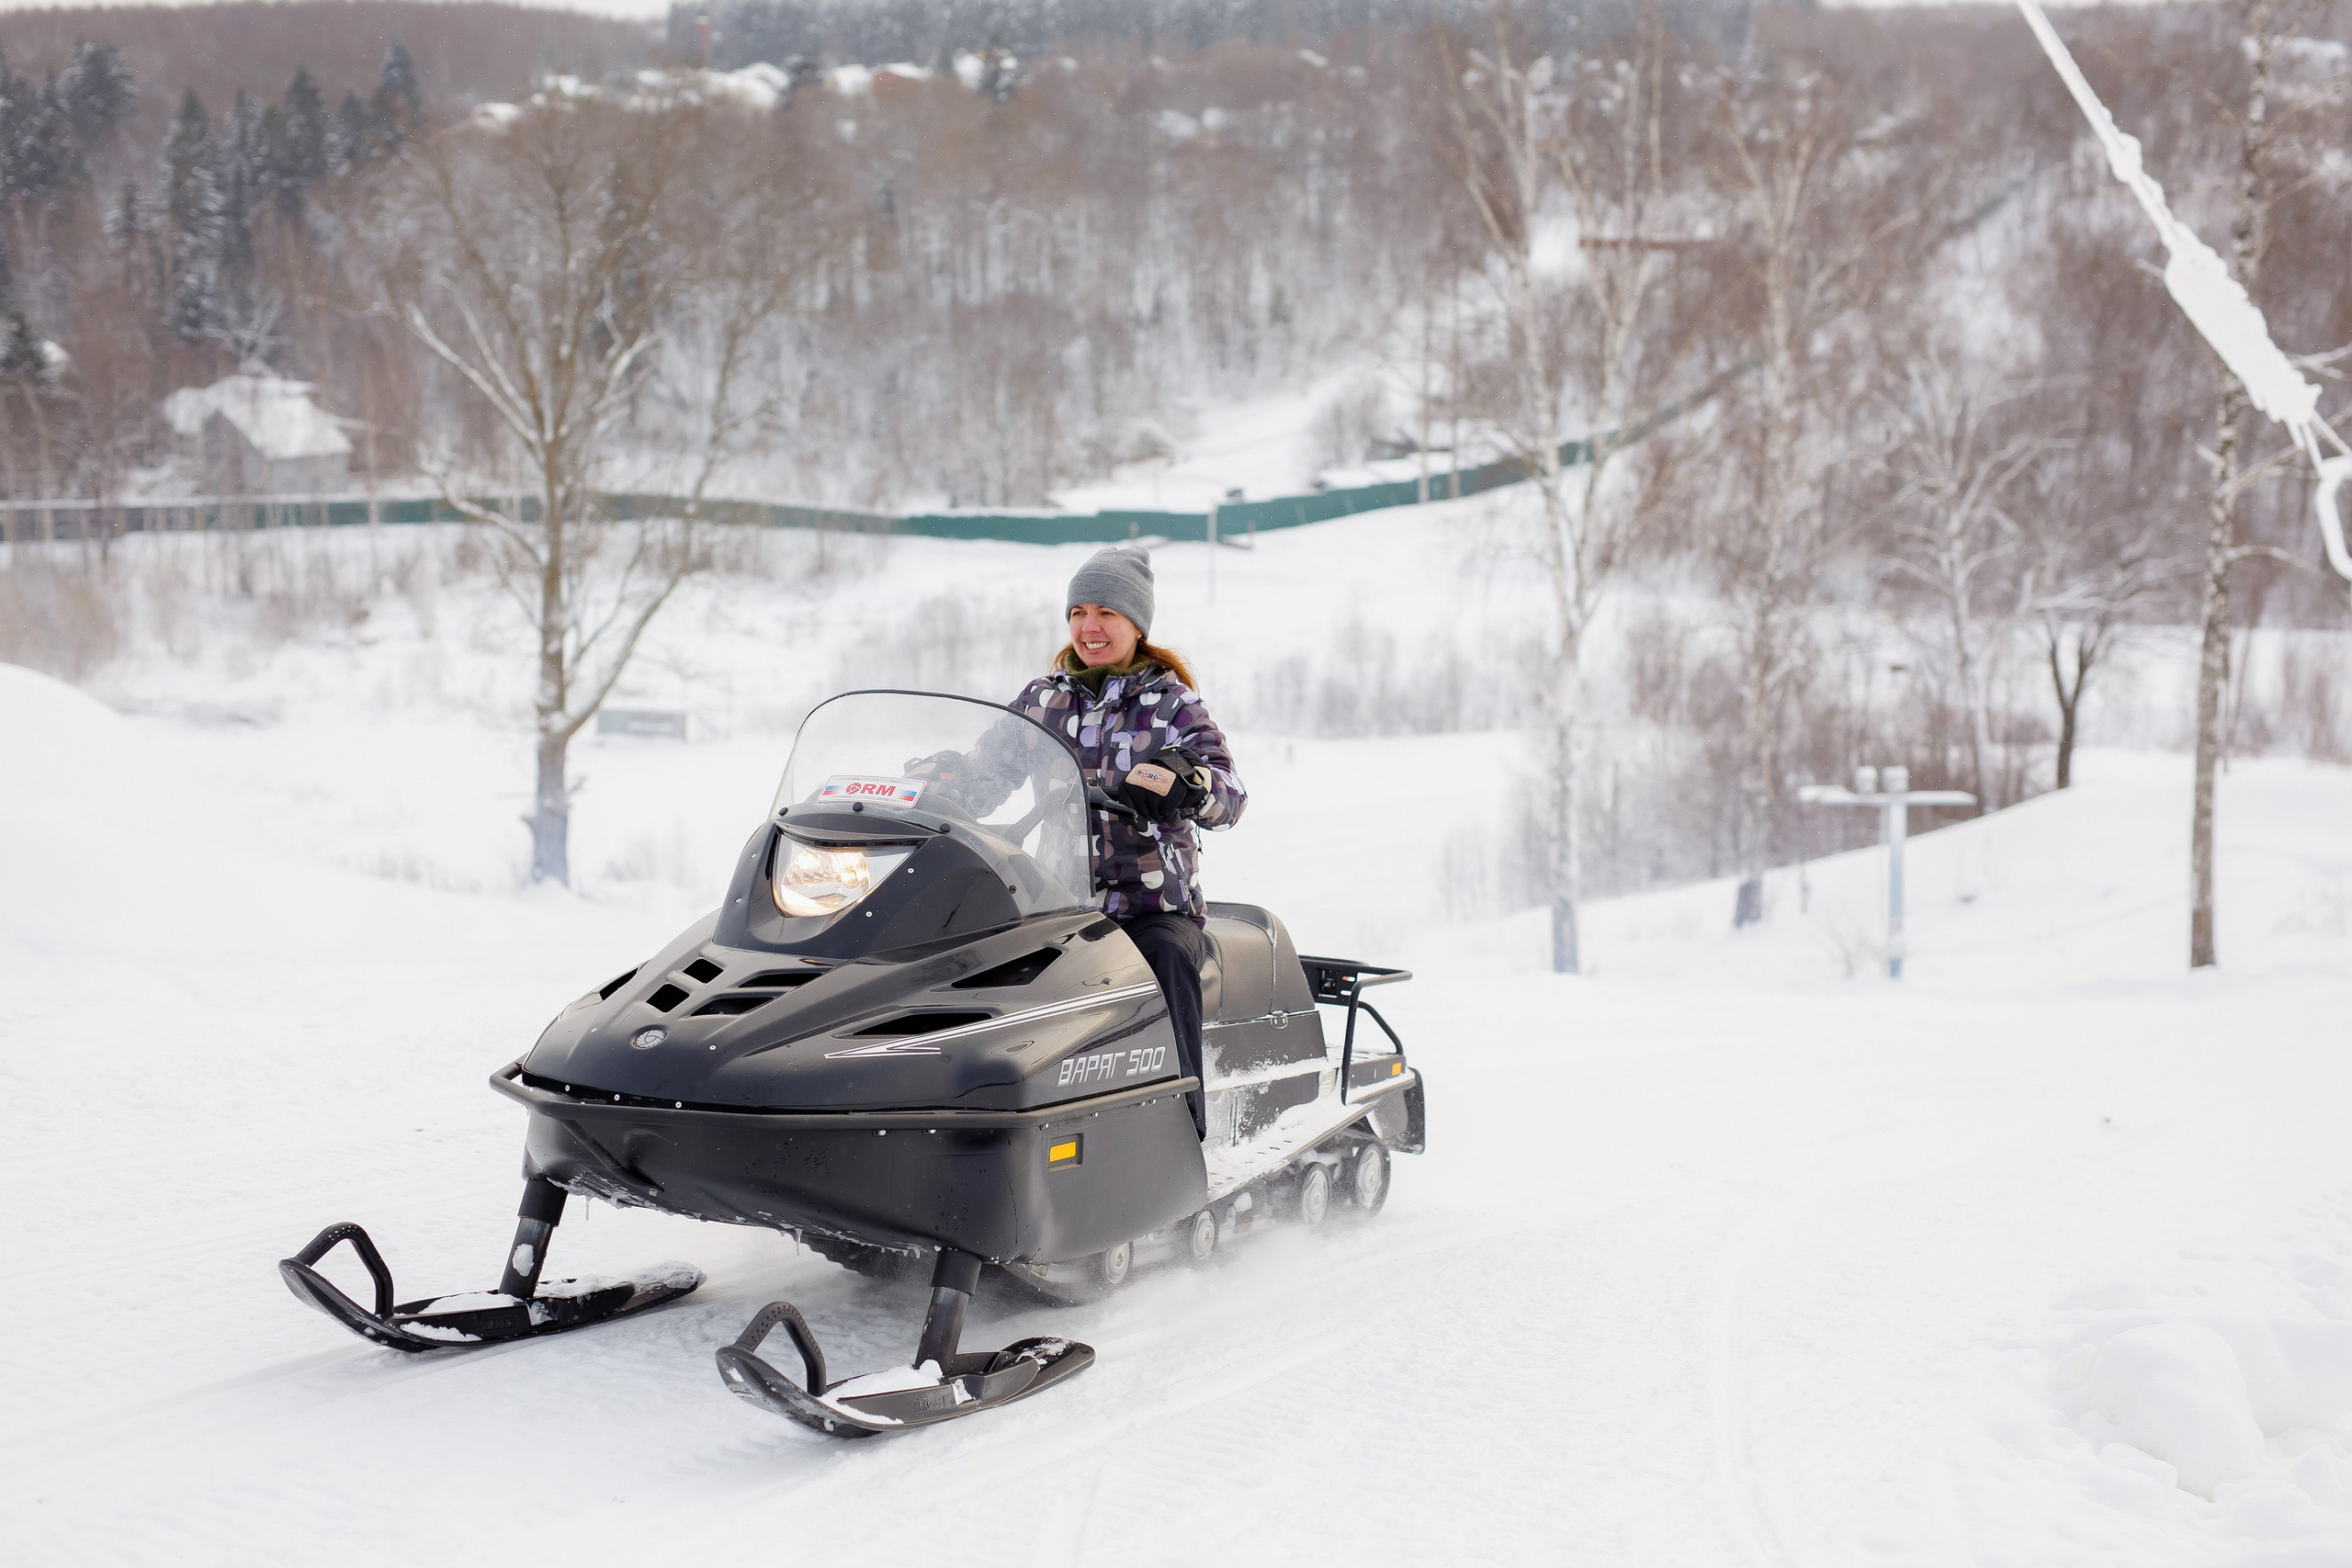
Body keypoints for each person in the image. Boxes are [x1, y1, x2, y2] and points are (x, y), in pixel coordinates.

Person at [916, 546, 1245, 1139]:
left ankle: (1181, 1139)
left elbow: (1231, 793)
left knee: (1168, 961)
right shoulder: (1045, 700)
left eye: (1107, 613)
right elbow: (986, 775)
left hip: (1152, 912)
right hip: (1059, 906)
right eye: (1079, 611)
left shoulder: (1171, 704)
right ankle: (975, 1126)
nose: (1089, 627)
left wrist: (1187, 783)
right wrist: (940, 782)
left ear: (1136, 625)